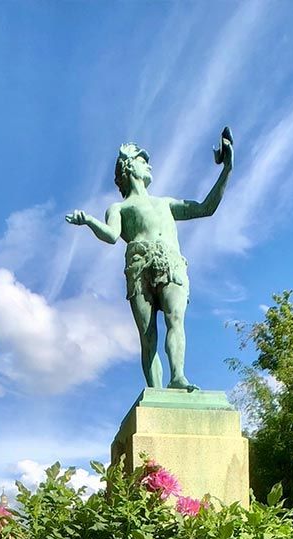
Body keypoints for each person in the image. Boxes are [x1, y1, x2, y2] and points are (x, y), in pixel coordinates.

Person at [65, 134, 233, 390]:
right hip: (138, 264)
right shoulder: (118, 208)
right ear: (129, 166)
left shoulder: (165, 203)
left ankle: (178, 377)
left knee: (175, 320)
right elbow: (111, 236)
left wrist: (227, 169)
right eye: (143, 160)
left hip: (170, 262)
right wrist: (88, 220)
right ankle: (155, 392)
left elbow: (205, 208)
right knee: (148, 336)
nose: (149, 165)